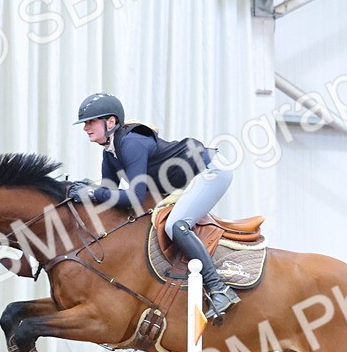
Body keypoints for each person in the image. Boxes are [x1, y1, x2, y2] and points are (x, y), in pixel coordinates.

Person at [70, 92, 240, 322]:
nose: (86, 128)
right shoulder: (110, 154)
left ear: (110, 122)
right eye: (85, 123)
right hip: (188, 181)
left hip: (211, 172)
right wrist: (83, 193)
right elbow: (109, 196)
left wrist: (90, 192)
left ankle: (219, 289)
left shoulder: (131, 143)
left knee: (176, 225)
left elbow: (134, 197)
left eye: (90, 122)